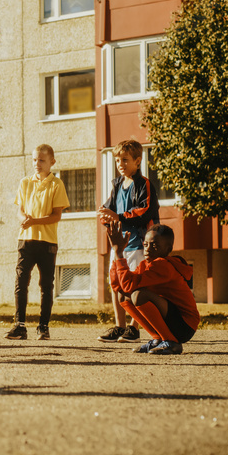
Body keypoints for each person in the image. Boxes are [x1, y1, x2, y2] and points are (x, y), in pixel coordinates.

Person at [96, 139, 160, 344]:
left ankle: (134, 328)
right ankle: (119, 326)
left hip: (139, 244)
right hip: (119, 245)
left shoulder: (144, 184)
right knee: (116, 285)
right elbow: (108, 209)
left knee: (136, 286)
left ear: (138, 161)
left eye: (125, 160)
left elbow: (145, 210)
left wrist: (118, 217)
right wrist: (106, 217)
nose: (120, 164)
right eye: (117, 160)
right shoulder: (116, 185)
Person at [5, 145, 69, 341]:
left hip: (47, 242)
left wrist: (35, 221)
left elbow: (56, 216)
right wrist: (23, 217)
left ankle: (43, 326)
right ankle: (20, 325)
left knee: (46, 285)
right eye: (34, 160)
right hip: (26, 240)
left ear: (52, 162)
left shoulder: (56, 184)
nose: (37, 164)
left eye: (41, 160)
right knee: (21, 281)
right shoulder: (25, 182)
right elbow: (20, 210)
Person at [107, 221, 198, 355]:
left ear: (168, 250)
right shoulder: (145, 265)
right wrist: (117, 253)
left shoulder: (163, 265)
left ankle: (171, 342)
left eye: (154, 245)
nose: (148, 249)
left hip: (184, 324)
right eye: (145, 244)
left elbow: (128, 285)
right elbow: (120, 287)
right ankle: (158, 339)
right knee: (124, 297)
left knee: (139, 295)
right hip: (171, 319)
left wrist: (120, 254)